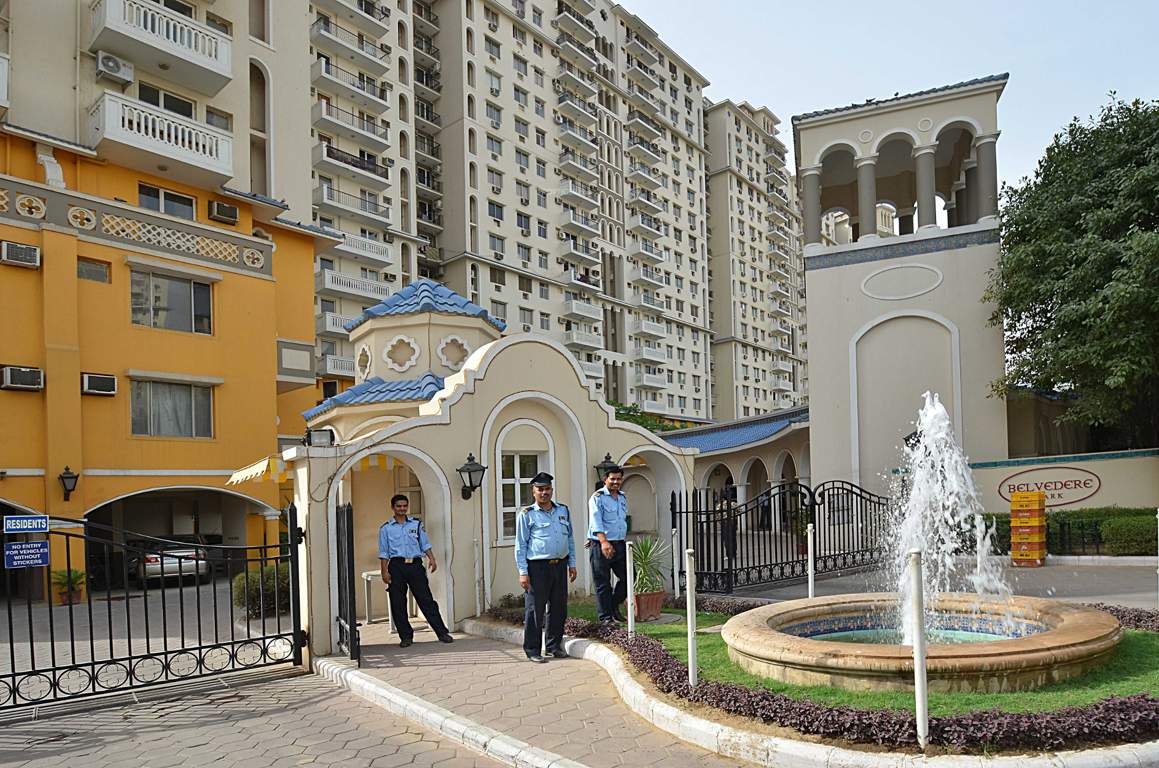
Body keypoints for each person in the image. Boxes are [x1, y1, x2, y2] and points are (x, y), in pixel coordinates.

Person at [515, 472, 576, 663]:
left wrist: (572, 563)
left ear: (552, 490)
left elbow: (570, 538)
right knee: (535, 610)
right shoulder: (527, 515)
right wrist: (523, 572)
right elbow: (521, 545)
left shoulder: (563, 510)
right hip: (537, 567)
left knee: (558, 608)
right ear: (533, 492)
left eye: (547, 489)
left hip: (560, 565)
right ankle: (533, 649)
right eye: (540, 489)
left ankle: (553, 646)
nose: (544, 492)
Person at [378, 494, 454, 648]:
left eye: (404, 506)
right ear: (393, 507)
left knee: (426, 600)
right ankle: (406, 637)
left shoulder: (416, 524)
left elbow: (424, 543)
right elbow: (384, 552)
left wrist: (432, 559)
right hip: (396, 566)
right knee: (398, 602)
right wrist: (384, 572)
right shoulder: (386, 528)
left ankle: (442, 632)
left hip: (415, 565)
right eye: (399, 506)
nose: (402, 509)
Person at [588, 465, 629, 623]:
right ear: (605, 479)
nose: (616, 482)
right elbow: (595, 519)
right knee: (602, 582)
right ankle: (605, 618)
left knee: (629, 577)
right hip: (602, 545)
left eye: (618, 479)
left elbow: (618, 521)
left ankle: (612, 605)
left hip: (619, 544)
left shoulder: (622, 497)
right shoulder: (597, 497)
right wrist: (602, 540)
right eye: (612, 479)